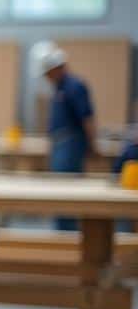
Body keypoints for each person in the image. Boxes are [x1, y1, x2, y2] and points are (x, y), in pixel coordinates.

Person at [35, 40, 94, 230]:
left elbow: (87, 118)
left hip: (70, 144)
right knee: (58, 190)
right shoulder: (59, 88)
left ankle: (67, 232)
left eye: (47, 74)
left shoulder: (75, 86)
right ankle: (62, 230)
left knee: (67, 192)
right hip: (60, 144)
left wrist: (92, 145)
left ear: (55, 68)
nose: (46, 78)